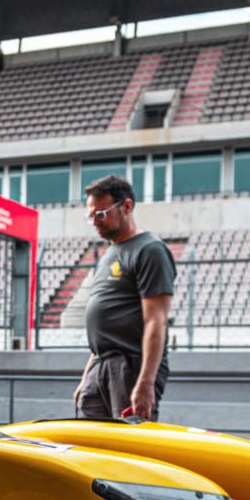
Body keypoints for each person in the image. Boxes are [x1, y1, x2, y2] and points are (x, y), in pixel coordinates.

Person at [74, 175, 175, 421]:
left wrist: (145, 383)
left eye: (101, 214)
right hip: (101, 364)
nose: (95, 222)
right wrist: (86, 377)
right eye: (91, 216)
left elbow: (156, 321)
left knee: (128, 446)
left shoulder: (150, 249)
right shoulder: (109, 253)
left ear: (126, 206)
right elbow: (104, 328)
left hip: (130, 365)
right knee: (88, 444)